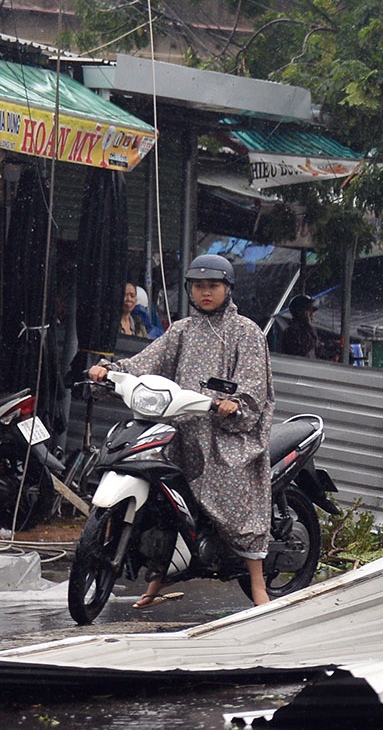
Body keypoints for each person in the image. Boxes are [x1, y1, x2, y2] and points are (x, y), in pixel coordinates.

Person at [90, 254, 274, 606]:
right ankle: (157, 578)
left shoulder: (246, 332)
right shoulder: (181, 331)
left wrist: (234, 404)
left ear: (227, 289)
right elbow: (146, 361)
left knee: (237, 495)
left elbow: (254, 385)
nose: (206, 293)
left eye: (213, 286)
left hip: (227, 436)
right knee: (163, 501)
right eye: (199, 286)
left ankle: (258, 582)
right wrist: (112, 371)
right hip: (181, 428)